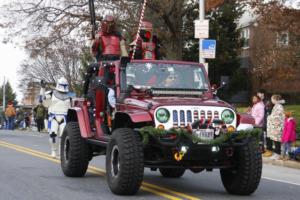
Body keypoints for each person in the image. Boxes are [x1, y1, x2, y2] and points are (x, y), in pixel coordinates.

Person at [40, 77, 72, 158]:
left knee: (63, 137)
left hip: (64, 117)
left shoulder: (70, 96)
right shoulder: (51, 93)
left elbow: (72, 107)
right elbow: (42, 100)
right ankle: (54, 151)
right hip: (53, 116)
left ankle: (61, 153)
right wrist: (42, 88)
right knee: (53, 135)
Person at [264, 94, 285, 159]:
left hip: (277, 127)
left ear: (275, 99)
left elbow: (278, 116)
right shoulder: (276, 106)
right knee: (276, 141)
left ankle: (277, 154)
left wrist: (269, 117)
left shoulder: (279, 106)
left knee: (277, 141)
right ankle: (276, 153)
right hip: (275, 127)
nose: (271, 100)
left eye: (272, 99)